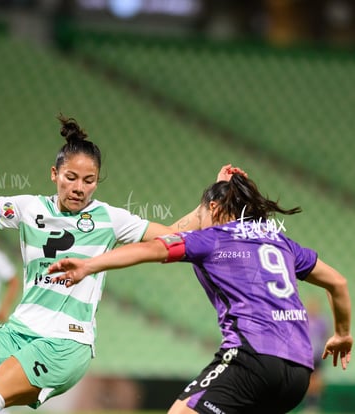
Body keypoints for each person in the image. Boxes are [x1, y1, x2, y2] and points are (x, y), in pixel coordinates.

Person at [0, 113, 244, 414]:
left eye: (89, 181)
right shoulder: (29, 207)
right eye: (70, 178)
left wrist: (211, 199)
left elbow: (174, 235)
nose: (79, 188)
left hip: (66, 343)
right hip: (18, 332)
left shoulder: (109, 219)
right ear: (54, 174)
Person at [48, 173, 352, 414]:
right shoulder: (280, 242)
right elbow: (338, 284)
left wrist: (89, 265)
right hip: (298, 374)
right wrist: (341, 334)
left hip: (252, 359)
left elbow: (152, 247)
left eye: (203, 211)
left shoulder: (211, 240)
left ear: (215, 210)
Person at [303, 297, 331, 413]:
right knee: (309, 380)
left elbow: (326, 336)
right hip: (307, 354)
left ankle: (315, 404)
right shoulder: (305, 320)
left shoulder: (322, 321)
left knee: (317, 380)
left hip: (318, 354)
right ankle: (309, 405)